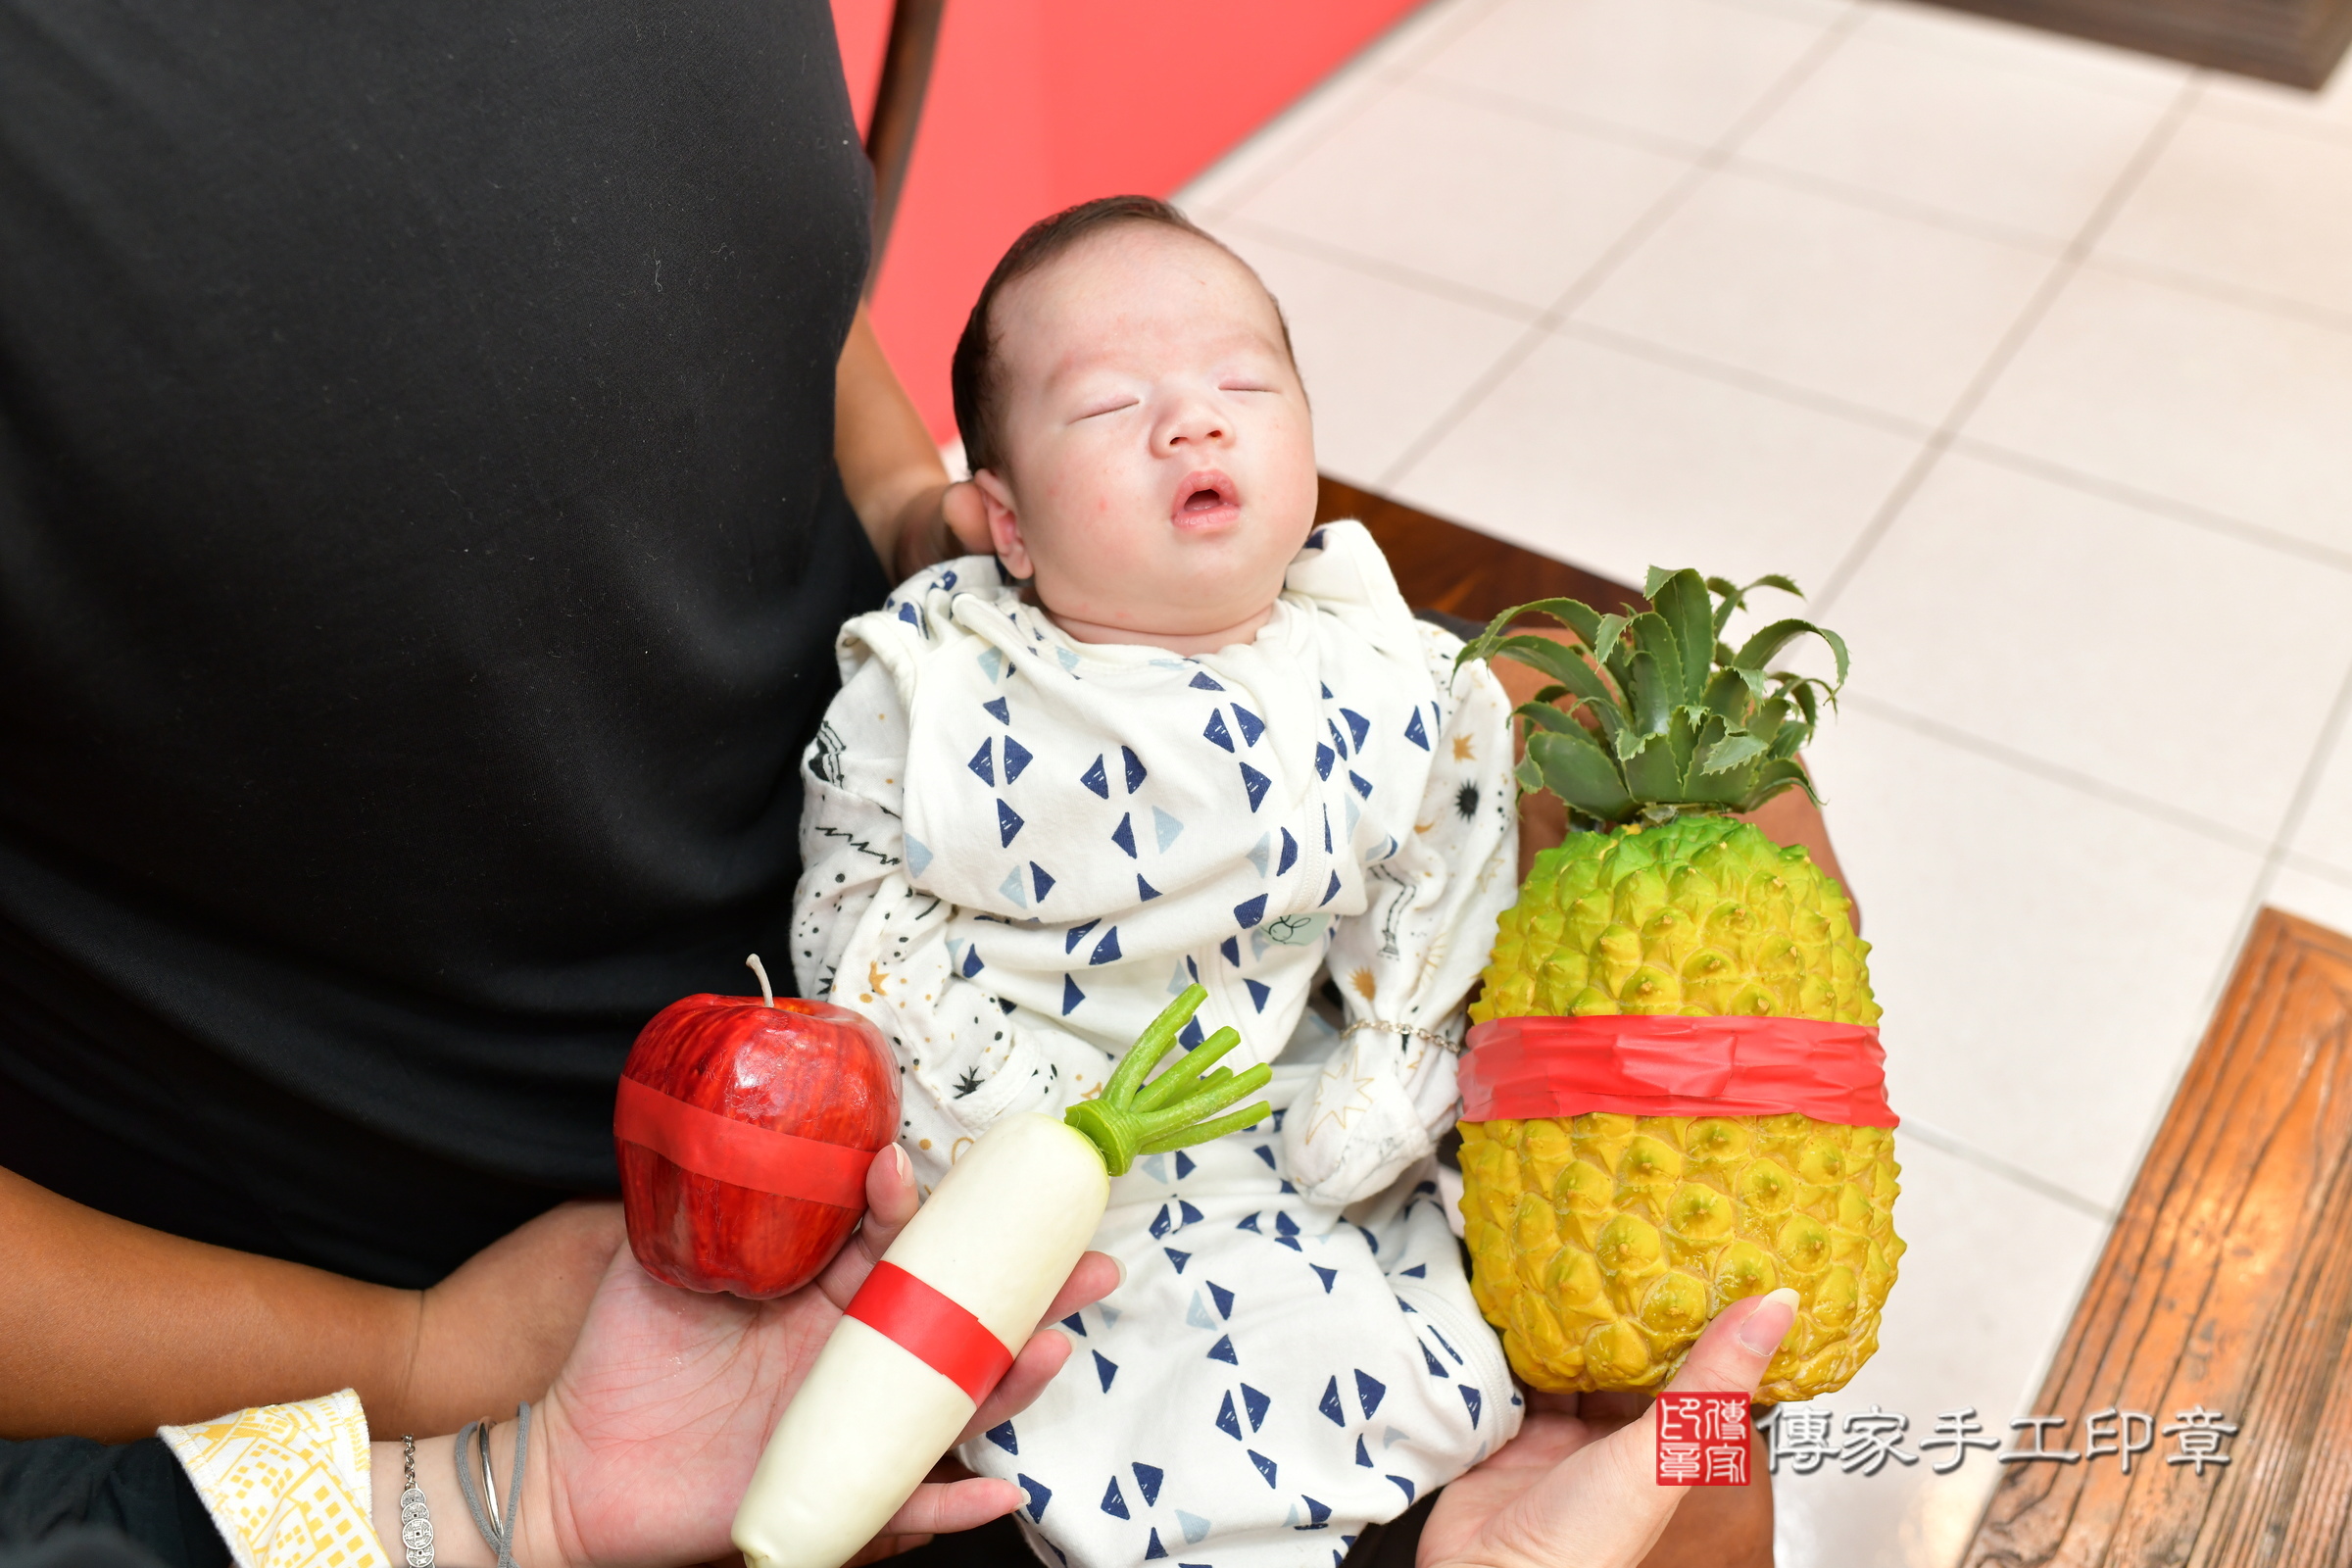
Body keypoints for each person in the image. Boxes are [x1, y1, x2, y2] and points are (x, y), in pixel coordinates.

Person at [0, 0, 989, 1442]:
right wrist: (410, 1367)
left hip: (971, 1074)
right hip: (408, 1383)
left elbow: (723, 245)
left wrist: (908, 498)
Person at [791, 196, 1524, 1568]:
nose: (1192, 422)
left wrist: (1390, 1058)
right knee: (1093, 1390)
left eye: (1244, 385)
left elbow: (1447, 867)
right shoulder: (943, 682)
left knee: (1395, 1343)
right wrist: (998, 1126)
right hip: (1024, 1147)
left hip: (1285, 1114)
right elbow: (855, 911)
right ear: (1003, 523)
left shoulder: (1383, 668)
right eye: (1112, 404)